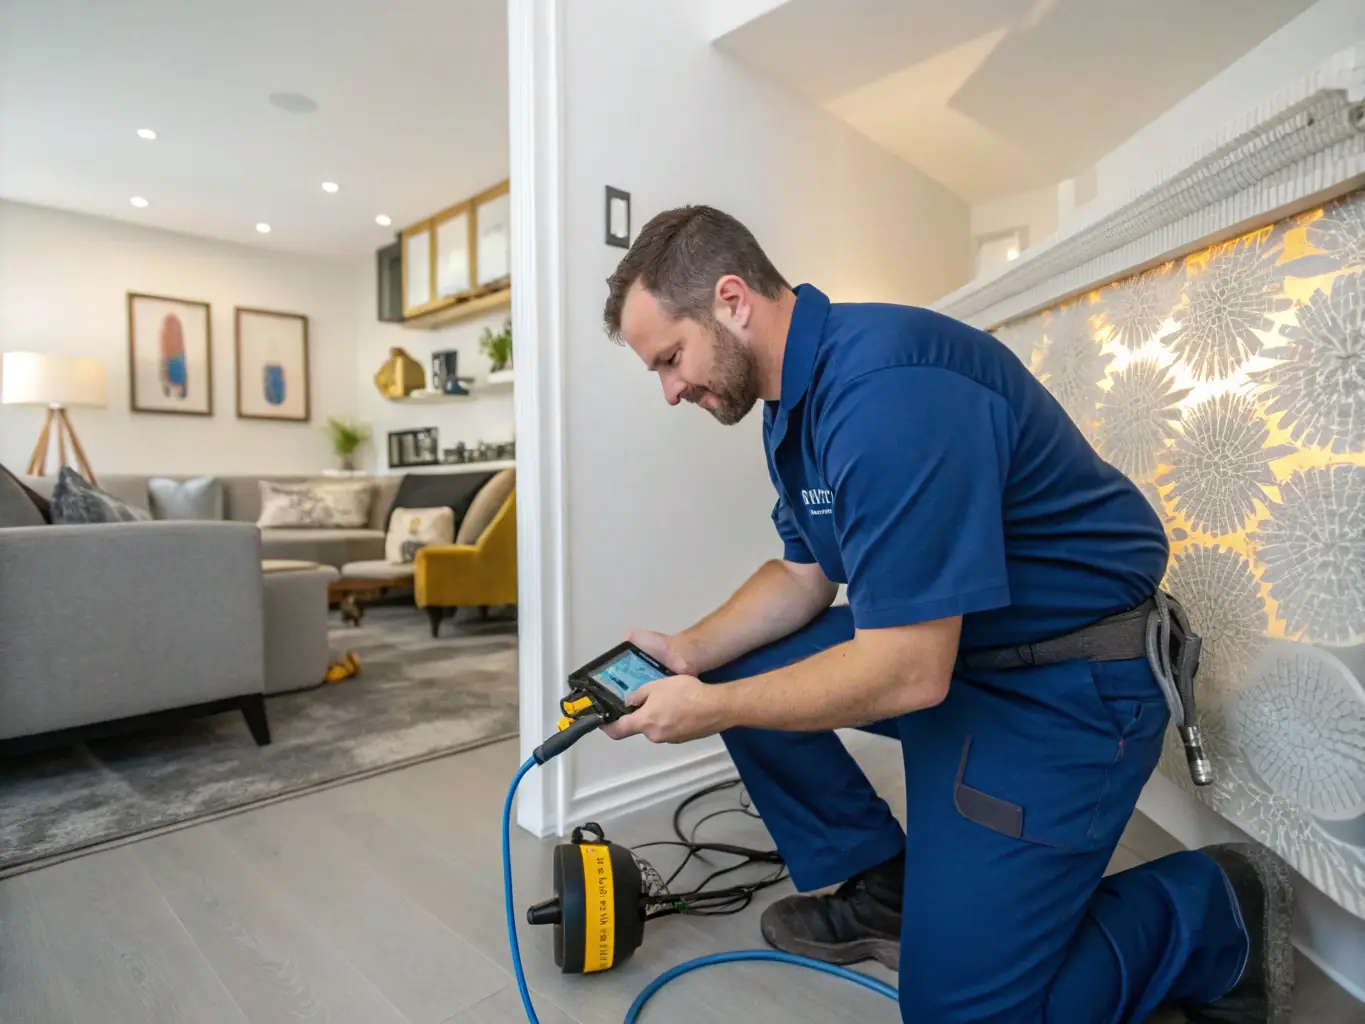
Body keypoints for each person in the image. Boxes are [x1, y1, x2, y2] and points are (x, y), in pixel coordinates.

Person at [597, 205, 1294, 1024]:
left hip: (1068, 687)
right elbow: (804, 573)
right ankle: (885, 886)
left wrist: (709, 709)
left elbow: (905, 670)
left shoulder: (889, 391)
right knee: (730, 663)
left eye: (670, 359)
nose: (672, 390)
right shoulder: (791, 404)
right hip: (960, 656)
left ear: (731, 300)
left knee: (957, 1014)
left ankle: (1212, 907)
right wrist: (687, 653)